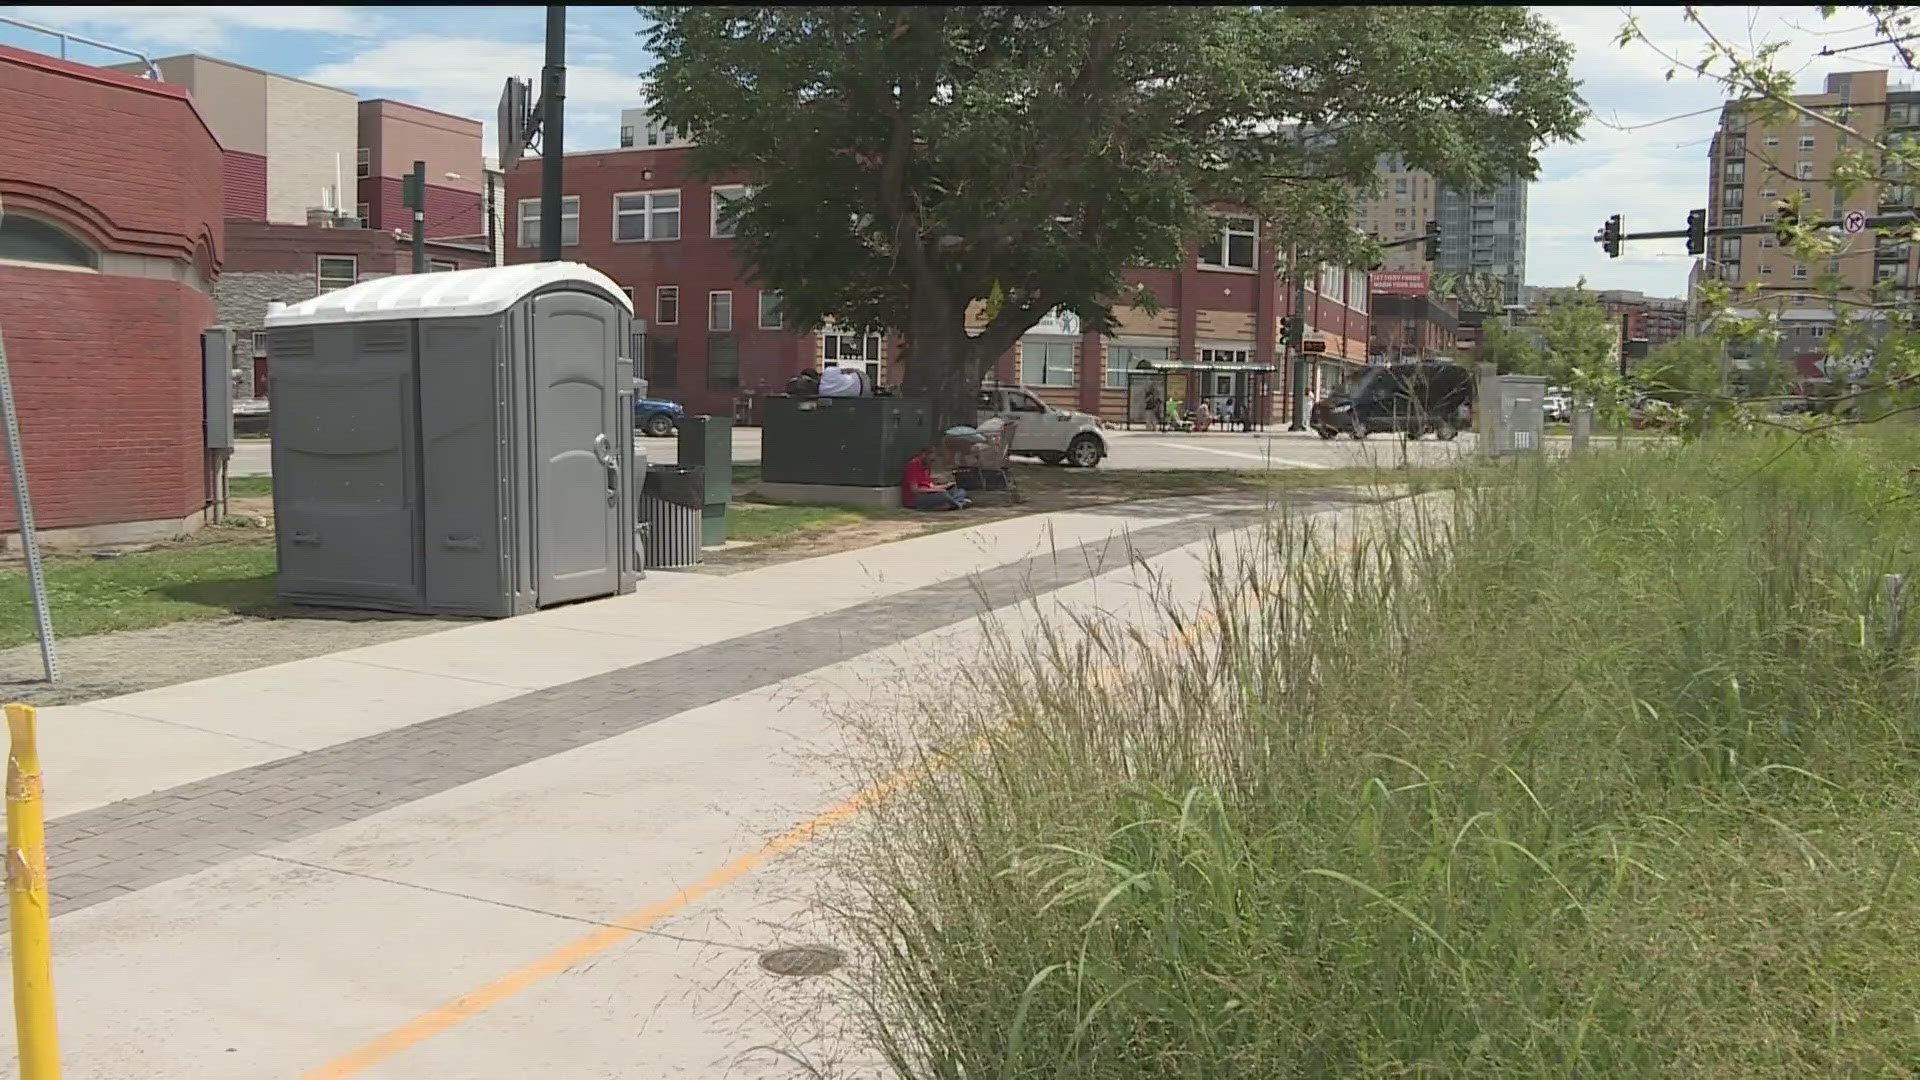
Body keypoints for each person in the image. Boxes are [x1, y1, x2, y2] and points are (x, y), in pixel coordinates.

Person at [901, 445, 970, 511]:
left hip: (930, 493)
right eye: (931, 460)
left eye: (933, 460)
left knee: (961, 491)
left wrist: (945, 486)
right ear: (924, 455)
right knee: (943, 495)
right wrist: (935, 491)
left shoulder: (927, 468)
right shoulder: (913, 465)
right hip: (916, 498)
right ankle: (957, 504)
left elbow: (931, 486)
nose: (931, 463)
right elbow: (915, 490)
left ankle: (951, 504)